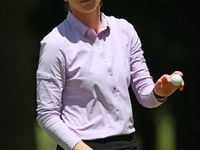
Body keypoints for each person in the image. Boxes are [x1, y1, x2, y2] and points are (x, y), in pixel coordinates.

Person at [36, 0, 184, 150]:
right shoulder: (54, 44)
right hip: (80, 146)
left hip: (128, 144)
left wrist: (158, 92)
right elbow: (47, 114)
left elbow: (146, 96)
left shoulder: (125, 30)